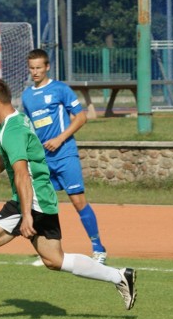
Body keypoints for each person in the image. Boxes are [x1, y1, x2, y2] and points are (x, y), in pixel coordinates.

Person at [0, 78, 136, 319]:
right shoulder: (12, 123)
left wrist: (27, 215)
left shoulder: (13, 129)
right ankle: (119, 276)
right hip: (42, 198)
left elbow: (21, 173)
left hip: (31, 200)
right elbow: (4, 156)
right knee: (55, 260)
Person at [22, 48, 108, 267]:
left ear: (47, 67)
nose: (35, 72)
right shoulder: (27, 95)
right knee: (42, 203)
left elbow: (81, 117)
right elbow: (30, 126)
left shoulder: (60, 89)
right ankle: (50, 252)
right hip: (43, 159)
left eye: (39, 67)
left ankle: (98, 248)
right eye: (32, 68)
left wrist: (60, 139)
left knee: (78, 201)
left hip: (65, 154)